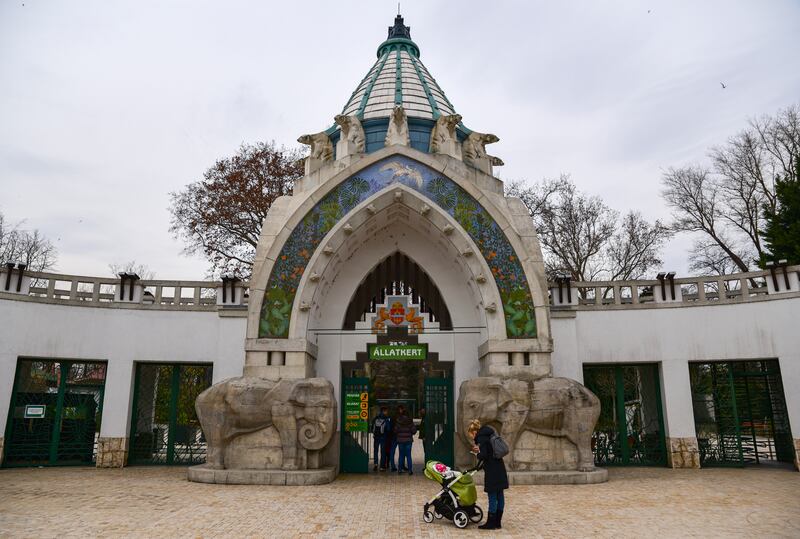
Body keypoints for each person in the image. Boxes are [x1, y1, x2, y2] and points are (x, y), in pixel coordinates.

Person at [469, 419, 508, 530]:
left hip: (491, 469)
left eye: (471, 435)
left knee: (492, 494)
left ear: (474, 432)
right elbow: (490, 451)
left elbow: (484, 455)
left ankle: (491, 523)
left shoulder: (481, 437)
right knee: (499, 494)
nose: (472, 437)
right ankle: (497, 522)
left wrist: (477, 453)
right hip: (499, 466)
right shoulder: (491, 433)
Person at [394, 404, 417, 474]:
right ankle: (410, 470)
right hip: (408, 441)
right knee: (408, 455)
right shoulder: (410, 421)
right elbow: (414, 431)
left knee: (401, 455)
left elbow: (395, 431)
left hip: (400, 441)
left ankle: (400, 470)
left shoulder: (398, 421)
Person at [371, 406, 391, 471]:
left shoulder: (375, 418)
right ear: (384, 411)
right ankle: (382, 466)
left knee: (376, 451)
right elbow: (388, 429)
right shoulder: (386, 419)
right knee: (383, 452)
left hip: (376, 437)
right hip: (383, 437)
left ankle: (375, 464)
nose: (387, 412)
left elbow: (372, 428)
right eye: (386, 411)